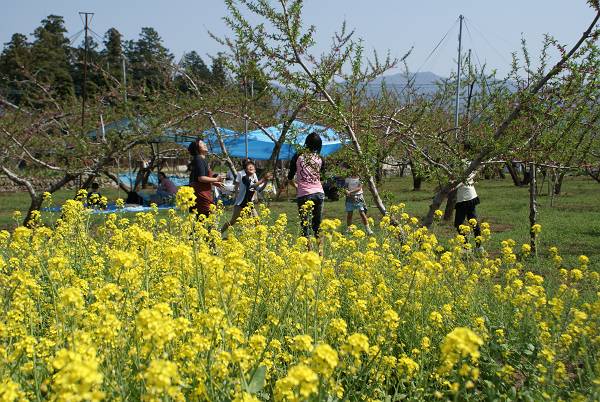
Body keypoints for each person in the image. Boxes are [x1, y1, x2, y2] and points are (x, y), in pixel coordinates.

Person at [288, 132, 325, 238]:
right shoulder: (320, 158)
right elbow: (322, 179)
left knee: (305, 226)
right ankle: (320, 253)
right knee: (318, 226)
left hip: (303, 194)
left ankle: (308, 253)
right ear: (319, 145)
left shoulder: (298, 156)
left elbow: (290, 177)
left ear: (306, 143)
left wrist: (297, 187)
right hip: (319, 193)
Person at [221, 161, 272, 234]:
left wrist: (266, 181)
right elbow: (252, 186)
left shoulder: (254, 177)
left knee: (257, 221)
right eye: (249, 166)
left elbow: (259, 189)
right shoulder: (244, 178)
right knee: (232, 221)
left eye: (252, 166)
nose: (250, 167)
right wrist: (264, 178)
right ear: (245, 170)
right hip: (241, 203)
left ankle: (261, 239)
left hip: (249, 203)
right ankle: (219, 231)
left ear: (255, 170)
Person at [188, 139, 223, 217]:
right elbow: (201, 178)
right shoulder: (199, 159)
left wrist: (214, 182)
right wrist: (216, 179)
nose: (205, 144)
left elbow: (202, 178)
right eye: (202, 143)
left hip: (203, 191)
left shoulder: (202, 159)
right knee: (207, 216)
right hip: (200, 193)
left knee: (206, 217)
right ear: (197, 148)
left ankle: (207, 229)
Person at [454, 168, 483, 250]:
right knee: (461, 223)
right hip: (462, 197)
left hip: (468, 196)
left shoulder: (466, 163)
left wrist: (453, 185)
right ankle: (467, 246)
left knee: (471, 222)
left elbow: (467, 178)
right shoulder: (454, 162)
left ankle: (477, 246)